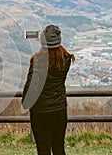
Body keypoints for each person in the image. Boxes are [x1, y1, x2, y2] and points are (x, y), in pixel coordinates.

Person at [22, 25, 75, 155]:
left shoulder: (37, 61)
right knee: (58, 148)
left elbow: (31, 87)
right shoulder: (66, 60)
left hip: (40, 111)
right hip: (59, 109)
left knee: (43, 150)